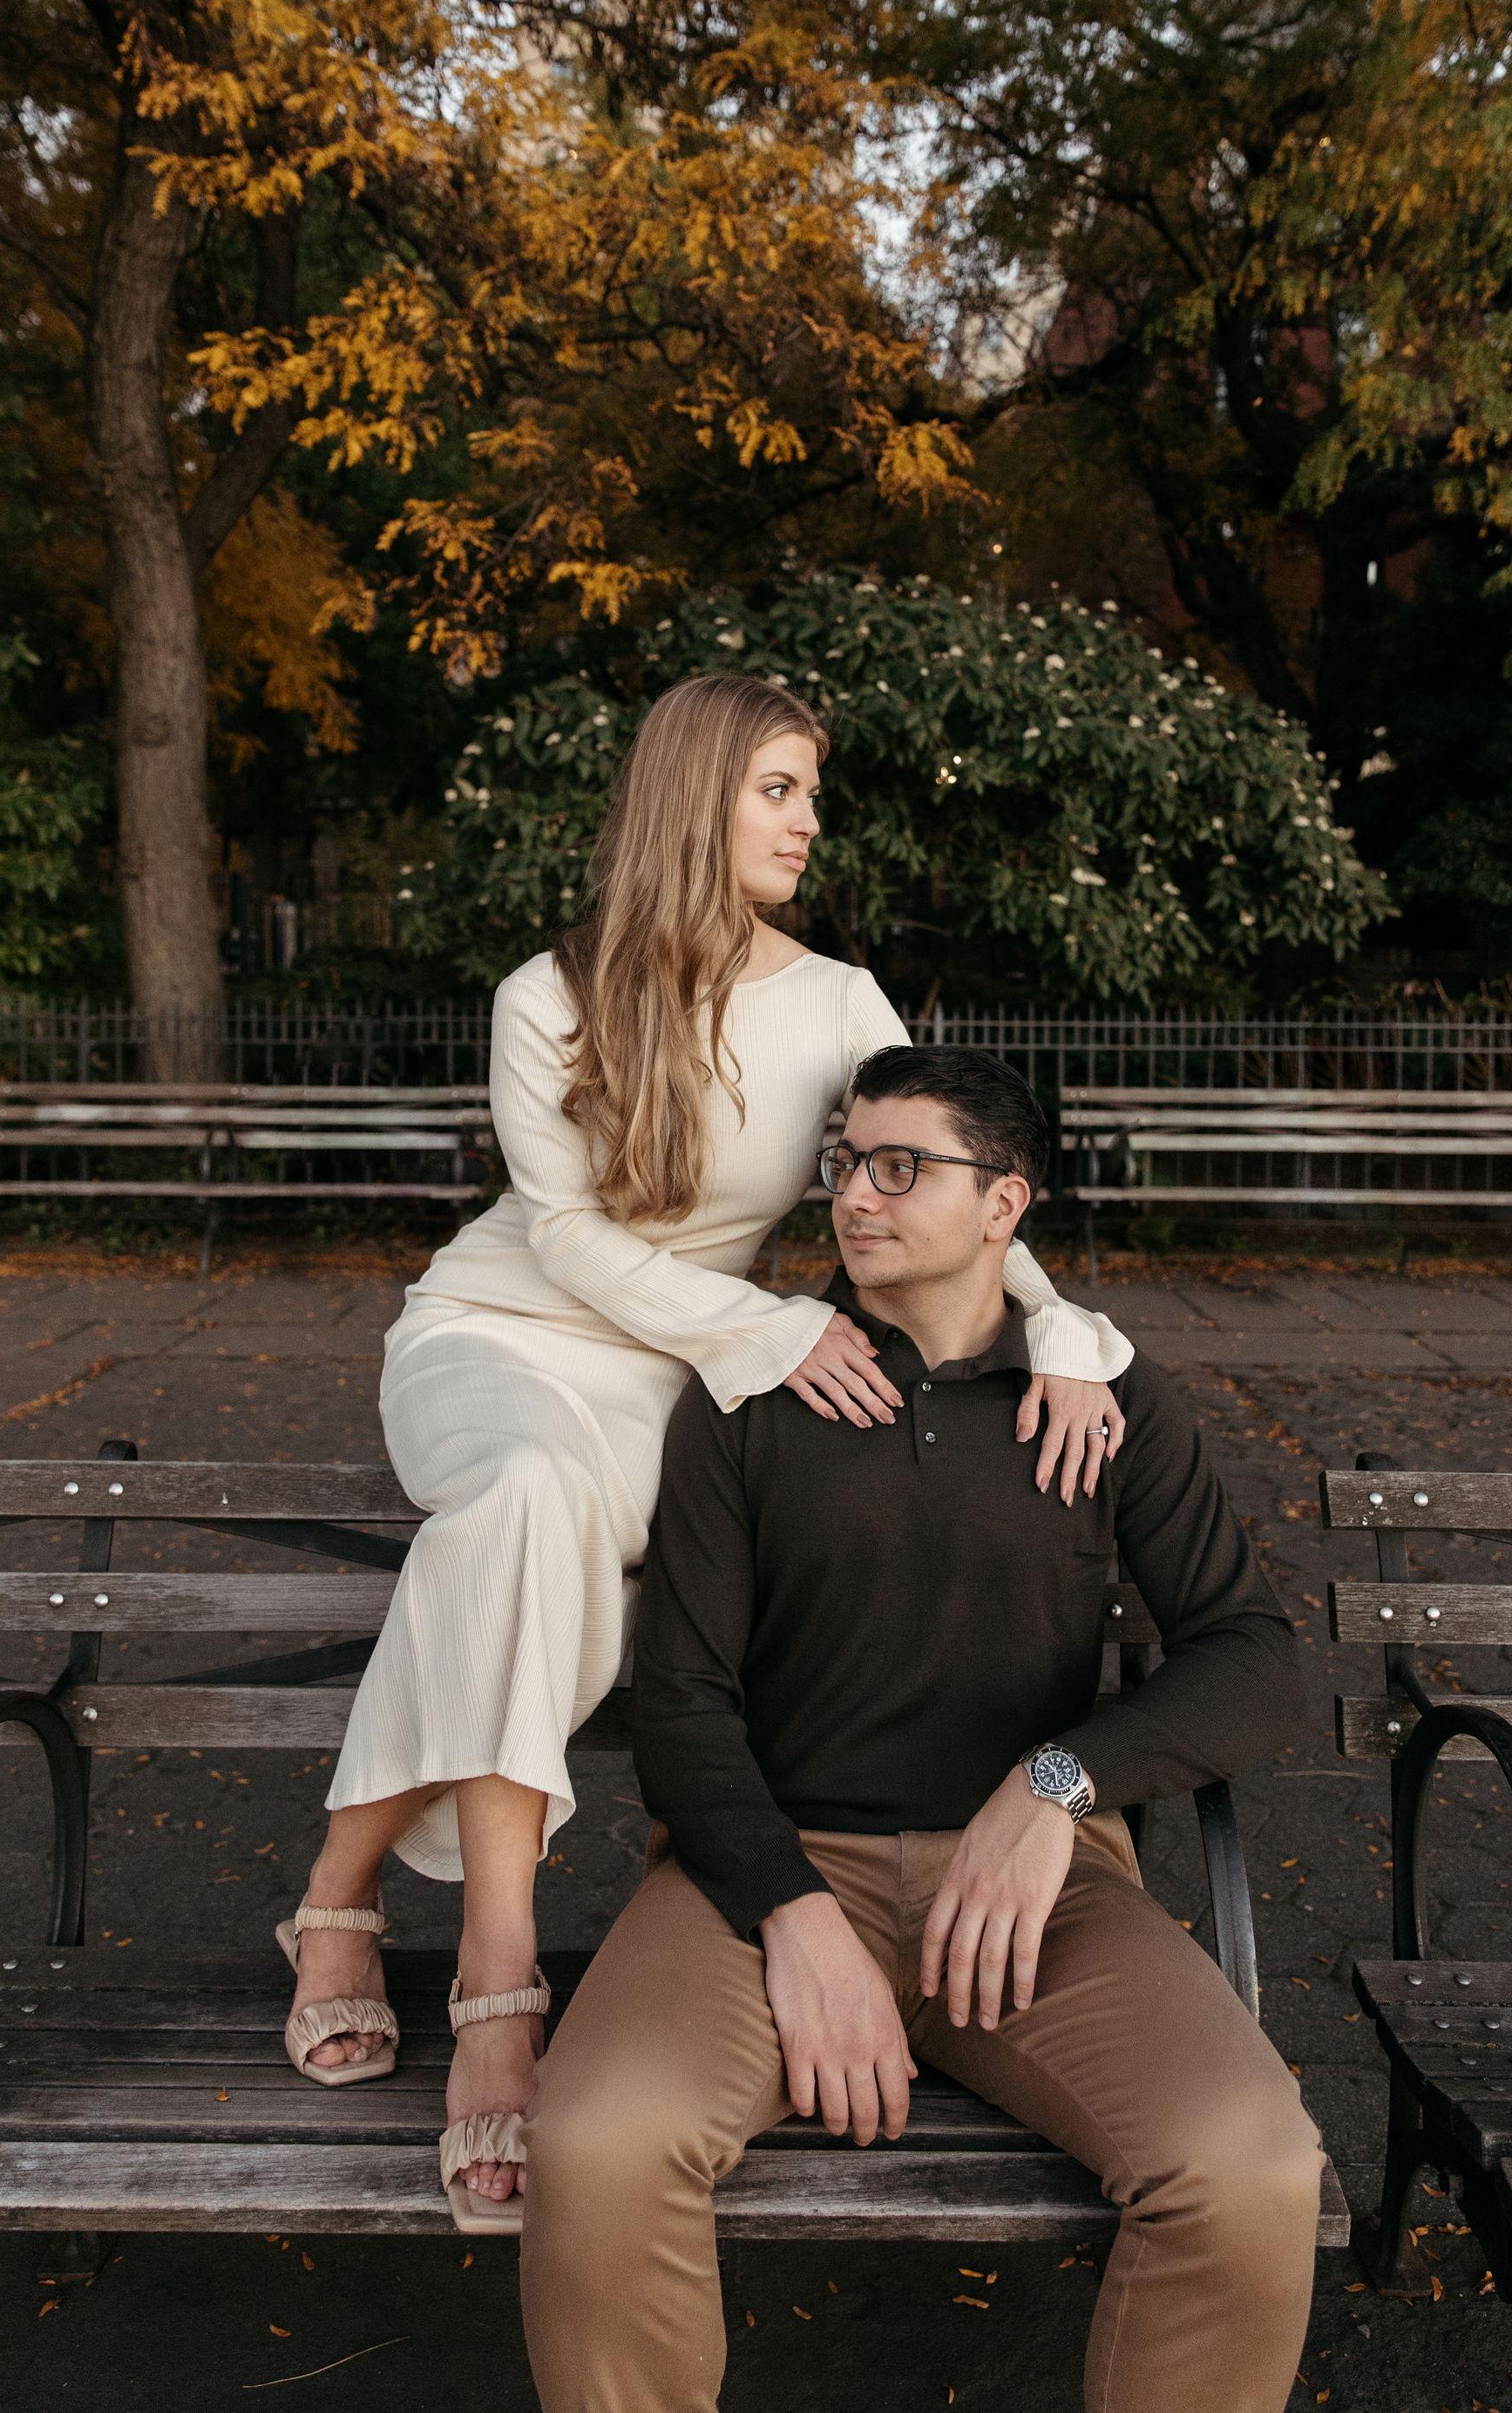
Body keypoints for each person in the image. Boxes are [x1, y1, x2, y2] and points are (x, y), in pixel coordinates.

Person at [275, 673, 1136, 2233]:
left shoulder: (842, 1001)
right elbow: (564, 1237)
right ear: (697, 796)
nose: (810, 823)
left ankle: (336, 1895)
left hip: (676, 1374)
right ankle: (496, 1979)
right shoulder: (547, 996)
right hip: (501, 1338)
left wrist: (1064, 1327)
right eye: (778, 790)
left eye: (812, 793)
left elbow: (946, 1170)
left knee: (541, 1564)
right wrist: (769, 1332)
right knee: (527, 1497)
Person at [518, 1043, 1324, 2412]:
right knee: (599, 2146)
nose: (855, 1197)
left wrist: (1056, 1788)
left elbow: (1253, 1660)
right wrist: (792, 1913)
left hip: (1034, 1890)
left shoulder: (1106, 1399)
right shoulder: (752, 1393)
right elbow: (683, 1703)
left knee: (1250, 2167)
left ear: (1005, 1202)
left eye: (901, 1168)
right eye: (847, 1164)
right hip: (762, 1877)